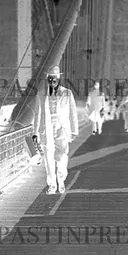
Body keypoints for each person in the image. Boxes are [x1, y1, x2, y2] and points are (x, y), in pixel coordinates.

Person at [34, 65, 79, 194]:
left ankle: (61, 177)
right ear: (47, 78)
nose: (52, 81)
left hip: (62, 128)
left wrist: (74, 130)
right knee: (48, 158)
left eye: (55, 78)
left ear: (58, 78)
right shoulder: (41, 94)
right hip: (46, 128)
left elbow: (73, 113)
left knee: (63, 155)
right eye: (50, 78)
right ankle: (52, 185)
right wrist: (35, 132)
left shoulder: (67, 93)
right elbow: (37, 113)